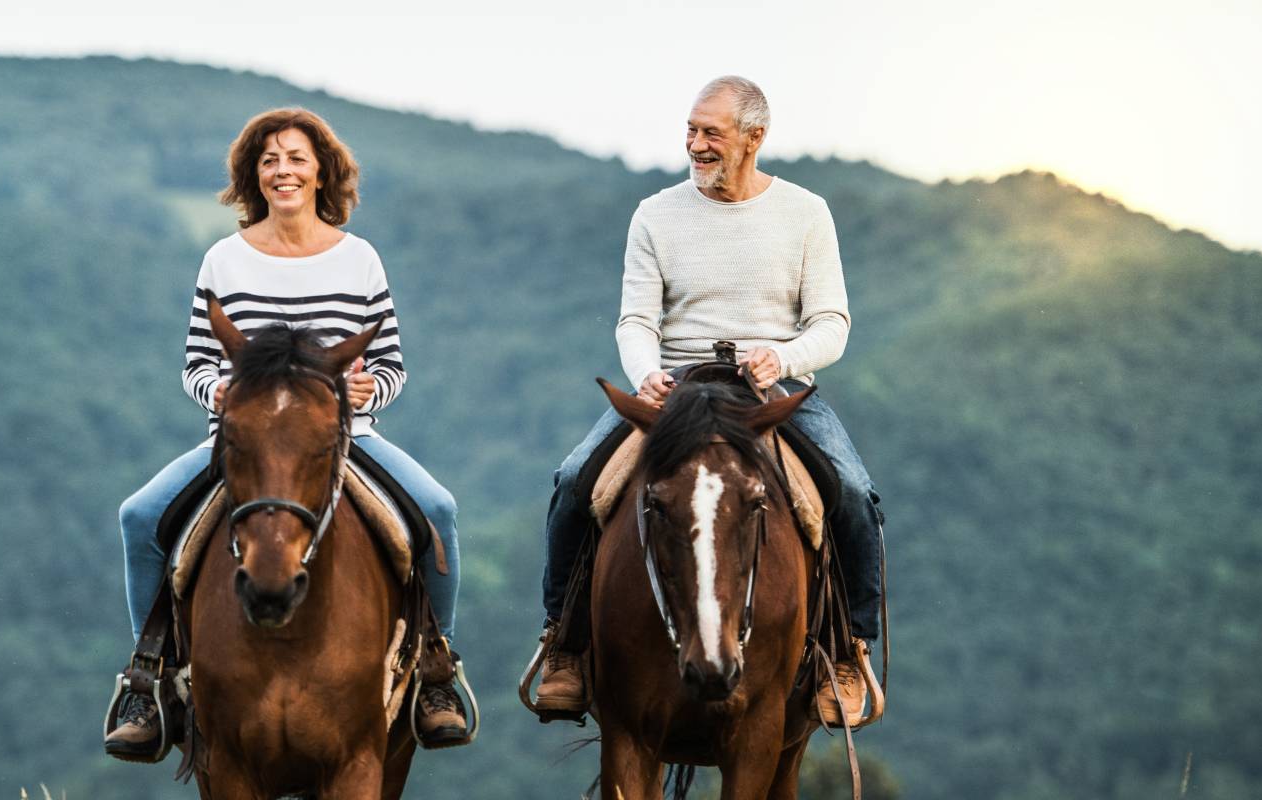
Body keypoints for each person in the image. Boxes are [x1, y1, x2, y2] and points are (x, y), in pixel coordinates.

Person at [105, 108, 465, 758]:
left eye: (296, 157)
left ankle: (435, 670)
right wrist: (215, 391)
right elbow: (194, 364)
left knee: (436, 510)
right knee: (140, 516)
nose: (283, 171)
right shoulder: (224, 260)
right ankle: (150, 676)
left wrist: (365, 392)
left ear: (321, 169)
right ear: (254, 176)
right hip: (243, 440)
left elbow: (390, 366)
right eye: (269, 160)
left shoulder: (359, 260)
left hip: (342, 440)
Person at [533, 77, 886, 727]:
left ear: (754, 138)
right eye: (691, 131)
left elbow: (831, 323)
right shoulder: (655, 214)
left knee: (853, 491)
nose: (695, 145)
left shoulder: (806, 212)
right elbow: (635, 320)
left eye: (710, 134)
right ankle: (564, 644)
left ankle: (846, 650)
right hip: (675, 387)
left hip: (766, 389)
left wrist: (783, 357)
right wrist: (645, 374)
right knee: (574, 480)